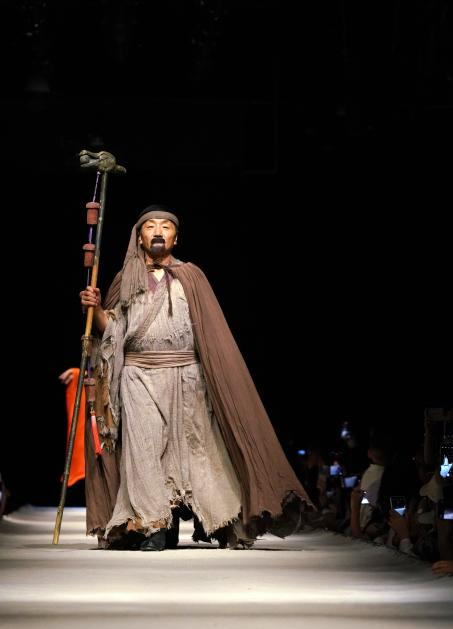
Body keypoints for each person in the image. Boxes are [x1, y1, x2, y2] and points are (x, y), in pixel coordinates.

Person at [78, 205, 312, 550]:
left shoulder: (192, 276)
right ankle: (154, 526)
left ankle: (214, 521)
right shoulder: (126, 278)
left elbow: (211, 333)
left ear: (176, 237)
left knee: (197, 451)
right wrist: (95, 309)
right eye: (150, 227)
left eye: (166, 226)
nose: (158, 232)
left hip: (187, 375)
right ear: (139, 237)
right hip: (138, 376)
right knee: (143, 449)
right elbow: (112, 332)